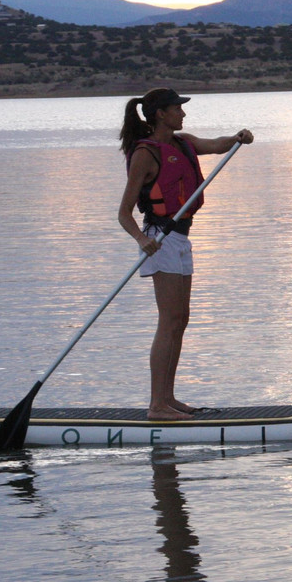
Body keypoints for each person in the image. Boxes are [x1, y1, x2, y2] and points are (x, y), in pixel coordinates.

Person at [118, 88, 253, 421]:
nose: (183, 113)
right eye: (178, 108)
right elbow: (123, 213)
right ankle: (156, 406)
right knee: (169, 321)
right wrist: (140, 239)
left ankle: (168, 397)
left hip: (181, 239)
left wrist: (238, 137)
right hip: (159, 240)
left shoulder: (184, 142)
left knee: (181, 320)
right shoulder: (145, 154)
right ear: (161, 113)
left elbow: (217, 144)